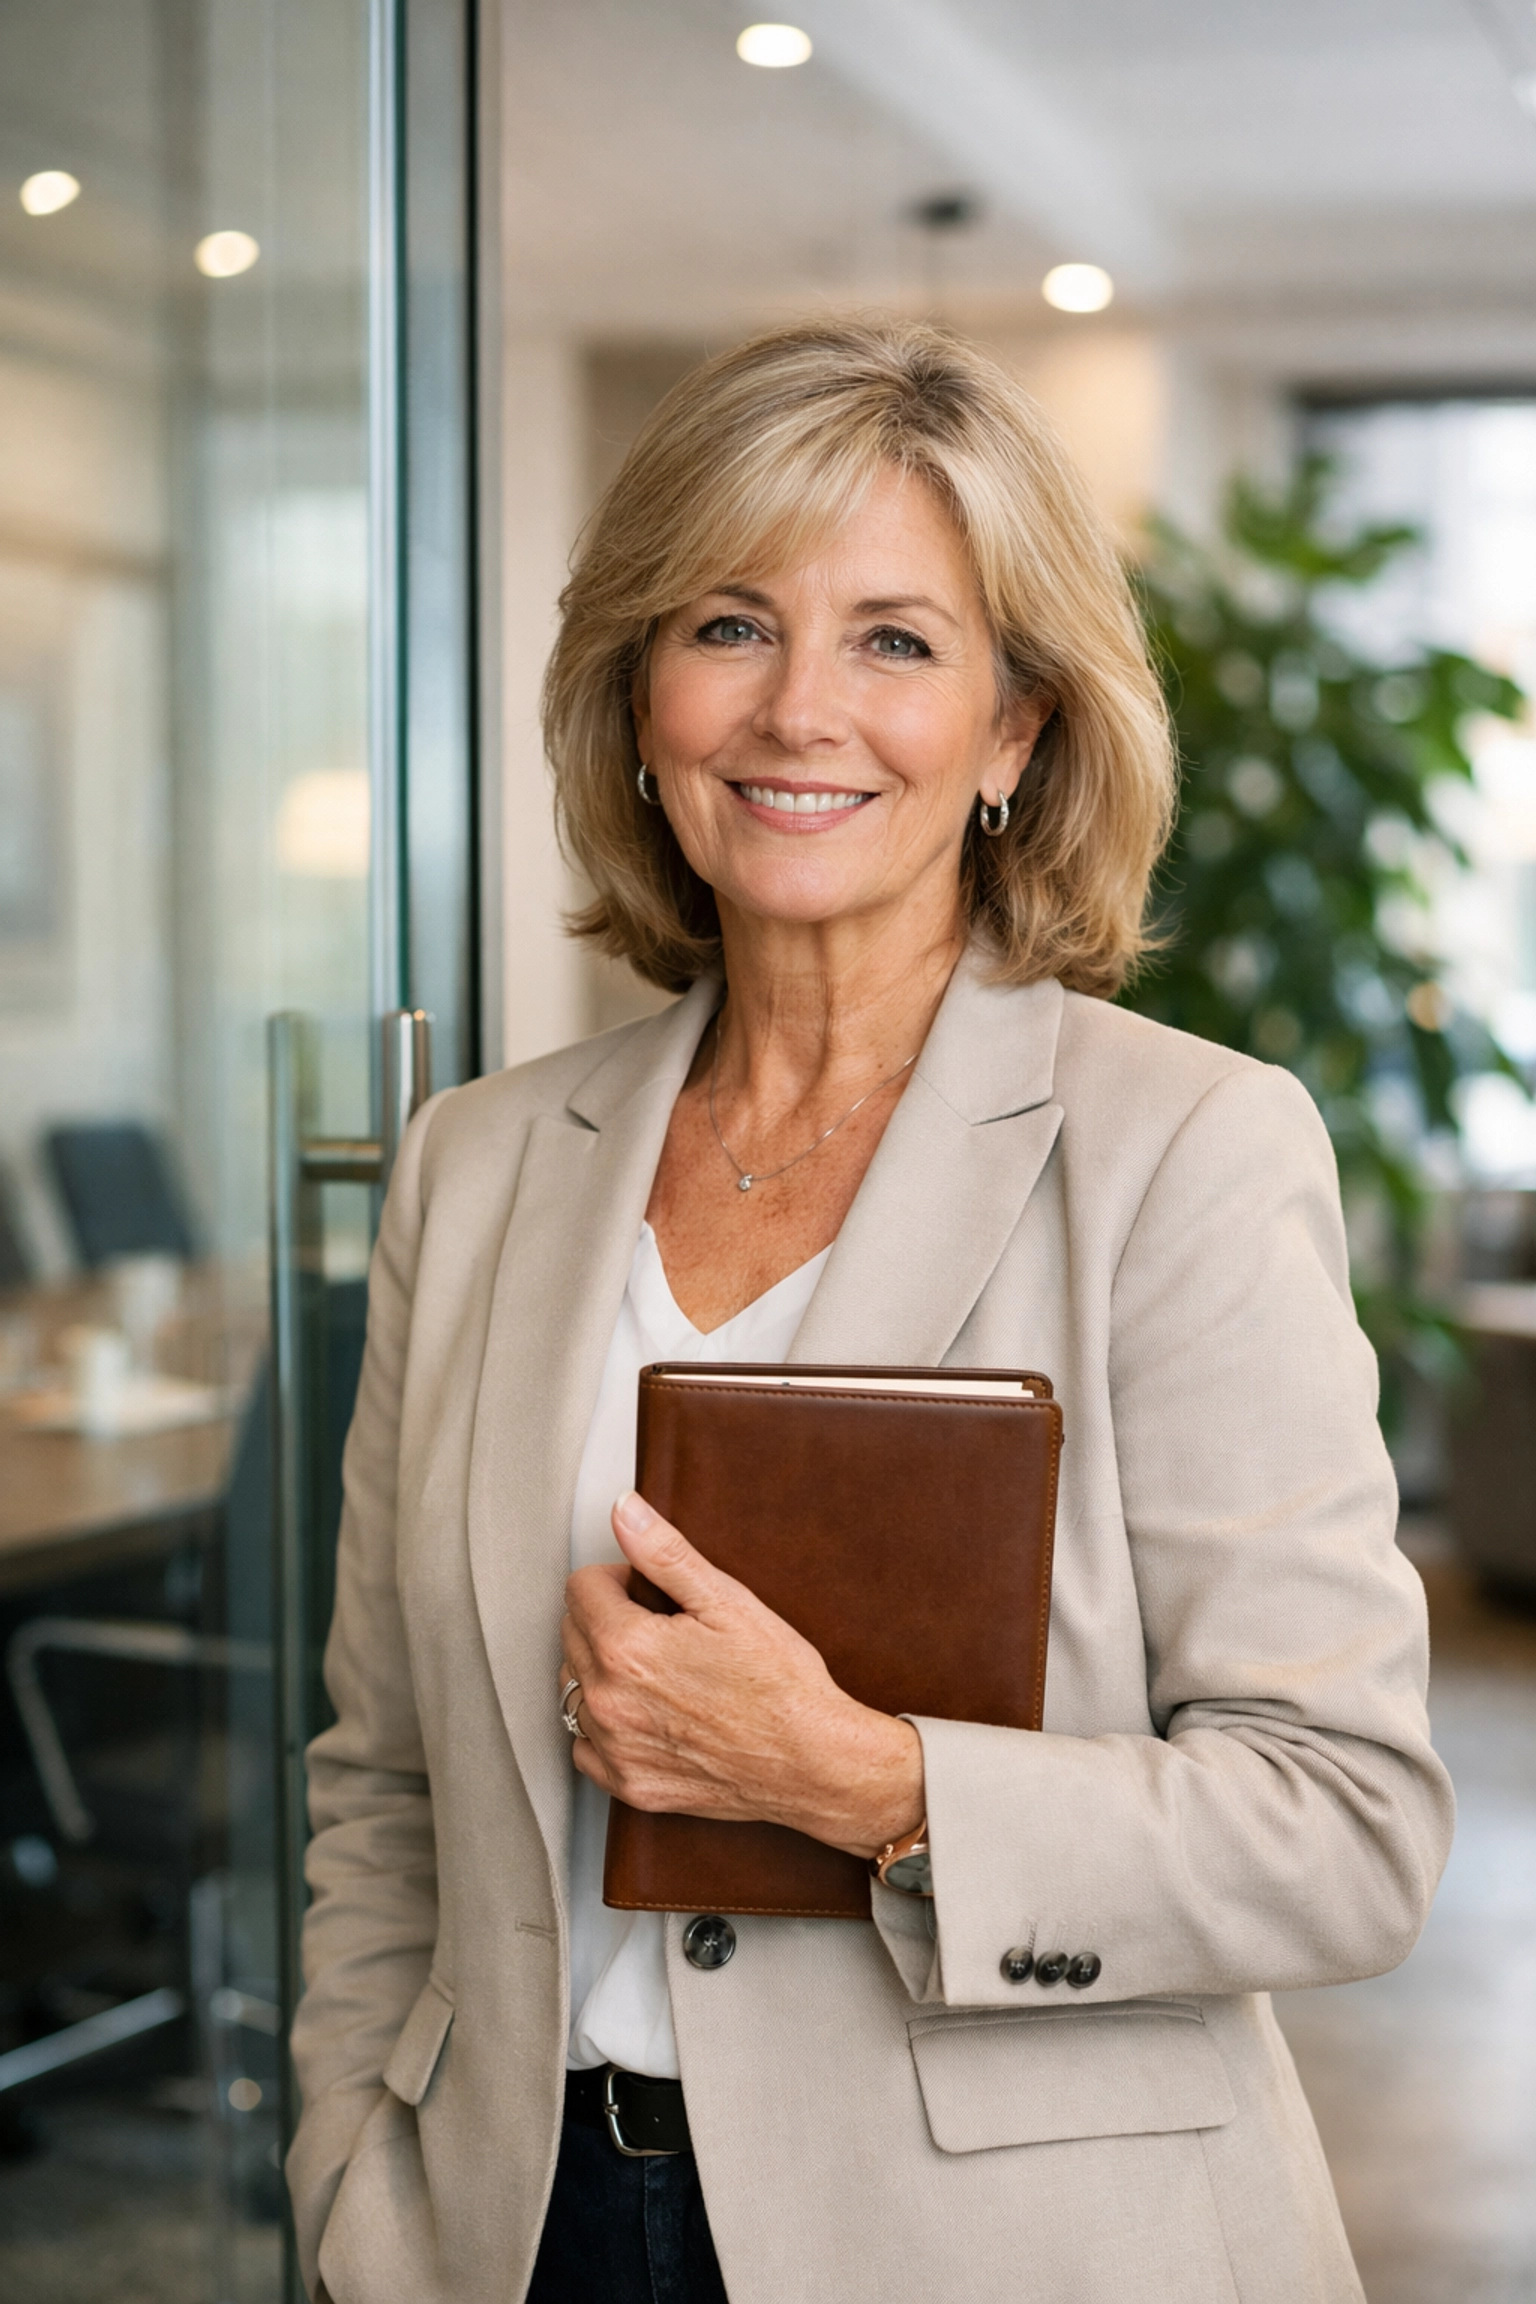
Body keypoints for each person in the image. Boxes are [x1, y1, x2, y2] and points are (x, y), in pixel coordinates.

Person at [286, 318, 1453, 2304]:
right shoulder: (478, 1167)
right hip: (515, 2230)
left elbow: (1343, 1828)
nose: (796, 710)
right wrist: (357, 2187)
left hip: (1007, 2249)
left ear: (1014, 732)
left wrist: (855, 1779)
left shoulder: (1183, 1149)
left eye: (898, 642)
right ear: (640, 699)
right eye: (729, 625)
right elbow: (379, 1778)